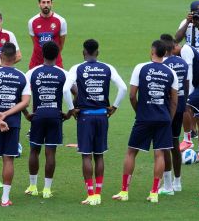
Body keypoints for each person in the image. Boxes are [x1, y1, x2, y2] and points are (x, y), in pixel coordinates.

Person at [112, 40, 178, 203]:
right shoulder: (171, 73)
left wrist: (139, 111)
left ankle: (124, 191)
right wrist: (168, 119)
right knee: (159, 154)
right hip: (163, 118)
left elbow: (132, 95)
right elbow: (174, 101)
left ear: (152, 51)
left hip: (144, 117)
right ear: (164, 53)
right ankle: (154, 192)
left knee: (131, 152)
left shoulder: (140, 68)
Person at [64, 39, 127, 205]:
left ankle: (90, 194)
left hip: (85, 116)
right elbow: (123, 88)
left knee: (86, 155)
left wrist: (71, 109)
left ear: (83, 52)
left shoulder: (77, 68)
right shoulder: (108, 68)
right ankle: (98, 193)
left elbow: (65, 89)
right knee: (99, 155)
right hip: (101, 116)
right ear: (97, 52)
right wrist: (114, 107)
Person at [23, 41, 75, 199]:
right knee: (50, 152)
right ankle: (46, 189)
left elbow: (19, 93)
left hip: (37, 116)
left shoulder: (32, 72)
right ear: (58, 54)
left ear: (42, 54)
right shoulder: (64, 74)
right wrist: (69, 113)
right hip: (55, 116)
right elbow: (76, 93)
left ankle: (32, 186)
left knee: (34, 150)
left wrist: (26, 113)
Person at [0, 42, 31, 206]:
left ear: (1, 55)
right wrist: (7, 115)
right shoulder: (22, 76)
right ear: (15, 57)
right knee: (8, 159)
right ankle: (5, 199)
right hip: (13, 122)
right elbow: (25, 102)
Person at [159, 34, 189, 195]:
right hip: (181, 106)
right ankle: (177, 182)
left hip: (168, 108)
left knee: (165, 145)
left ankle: (168, 185)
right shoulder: (183, 63)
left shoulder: (163, 64)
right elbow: (186, 84)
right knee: (175, 143)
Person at [28, 0, 67, 69]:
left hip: (55, 62)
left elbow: (61, 44)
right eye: (43, 2)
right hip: (37, 62)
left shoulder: (61, 21)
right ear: (39, 4)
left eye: (48, 2)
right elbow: (35, 42)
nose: (46, 5)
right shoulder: (32, 21)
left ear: (52, 4)